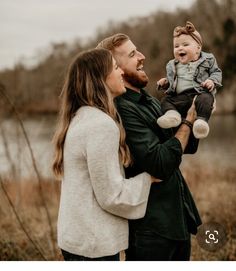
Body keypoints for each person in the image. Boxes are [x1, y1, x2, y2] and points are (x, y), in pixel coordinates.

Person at [97, 34, 202, 260]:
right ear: (117, 69)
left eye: (138, 51)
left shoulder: (149, 100)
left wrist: (194, 108)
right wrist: (188, 121)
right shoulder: (122, 110)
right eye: (132, 54)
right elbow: (160, 164)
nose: (142, 57)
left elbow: (185, 146)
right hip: (151, 230)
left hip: (178, 218)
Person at [52, 48, 158, 261]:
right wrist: (149, 179)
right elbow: (111, 195)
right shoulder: (101, 125)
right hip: (93, 245)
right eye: (116, 68)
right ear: (100, 79)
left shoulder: (80, 117)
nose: (121, 73)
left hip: (77, 239)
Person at [157, 21, 222, 139]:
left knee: (207, 99)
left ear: (198, 48)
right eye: (176, 46)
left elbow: (216, 72)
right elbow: (173, 82)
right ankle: (173, 115)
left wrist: (212, 81)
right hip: (179, 97)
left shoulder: (208, 59)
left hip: (198, 94)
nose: (180, 48)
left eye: (185, 45)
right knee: (165, 100)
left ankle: (201, 122)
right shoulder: (172, 65)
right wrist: (166, 83)